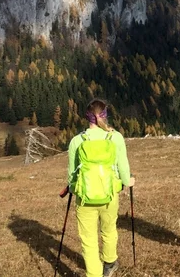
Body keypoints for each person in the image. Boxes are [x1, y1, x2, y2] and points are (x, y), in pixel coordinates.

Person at [67, 99, 134, 277]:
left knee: (88, 239)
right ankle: (110, 263)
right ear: (105, 115)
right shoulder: (115, 137)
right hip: (110, 194)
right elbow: (124, 172)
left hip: (84, 197)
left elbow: (72, 176)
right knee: (109, 229)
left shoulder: (76, 141)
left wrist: (73, 189)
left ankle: (94, 274)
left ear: (86, 117)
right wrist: (128, 181)